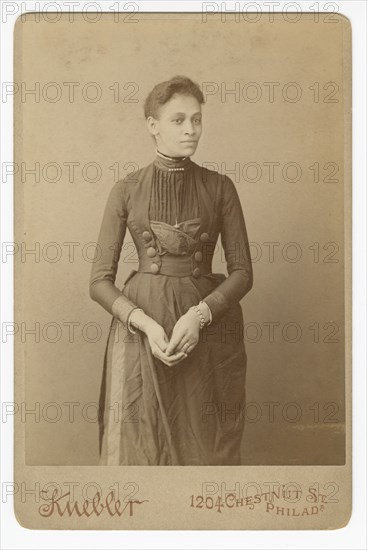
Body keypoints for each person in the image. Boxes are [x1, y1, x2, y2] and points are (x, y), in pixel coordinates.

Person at [89, 75, 253, 466]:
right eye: (178, 120)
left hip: (207, 328)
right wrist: (143, 323)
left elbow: (243, 272)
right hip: (141, 330)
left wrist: (199, 316)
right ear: (153, 125)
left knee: (204, 445)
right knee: (140, 445)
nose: (191, 129)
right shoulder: (127, 189)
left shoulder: (220, 187)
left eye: (196, 120)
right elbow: (98, 281)